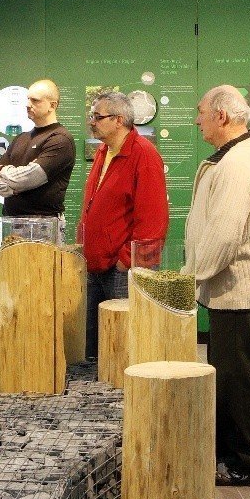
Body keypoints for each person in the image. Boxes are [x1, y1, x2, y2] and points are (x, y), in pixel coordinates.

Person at [185, 85, 250, 488]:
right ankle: (230, 453)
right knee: (232, 373)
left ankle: (245, 462)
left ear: (221, 116)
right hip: (243, 285)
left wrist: (192, 276)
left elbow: (225, 233)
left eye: (201, 113)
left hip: (237, 287)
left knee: (236, 378)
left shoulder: (238, 163)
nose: (197, 120)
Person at [78, 89, 169, 357]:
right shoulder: (103, 152)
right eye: (92, 116)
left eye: (98, 116)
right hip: (96, 264)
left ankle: (121, 396)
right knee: (96, 344)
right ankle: (94, 395)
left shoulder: (144, 154)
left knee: (123, 346)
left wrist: (126, 260)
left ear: (119, 120)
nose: (91, 122)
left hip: (122, 269)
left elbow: (153, 220)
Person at [0, 79, 76, 220]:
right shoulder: (20, 138)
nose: (28, 105)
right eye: (28, 99)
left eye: (35, 100)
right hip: (11, 223)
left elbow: (30, 178)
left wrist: (3, 172)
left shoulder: (60, 139)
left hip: (44, 226)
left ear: (52, 105)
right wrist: (15, 185)